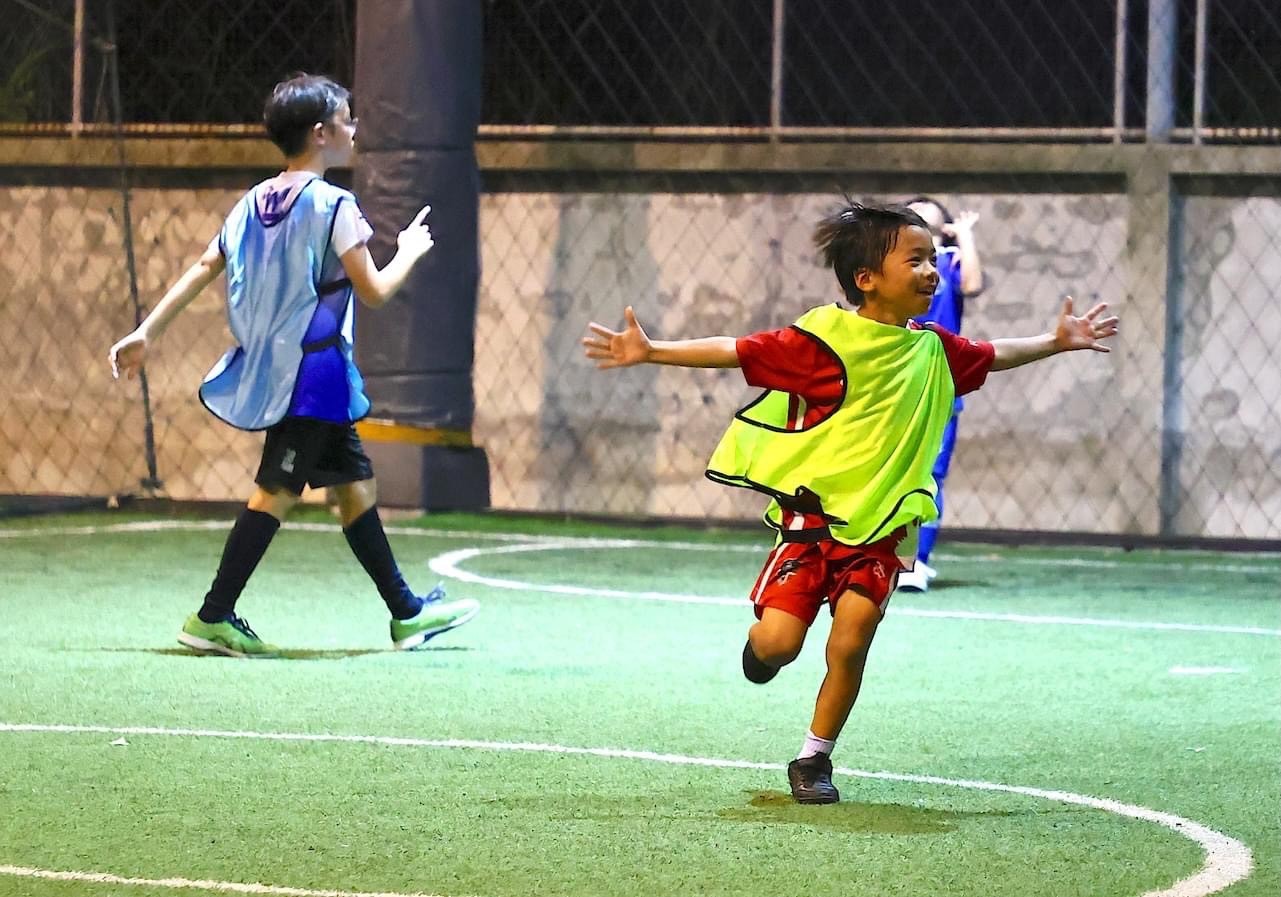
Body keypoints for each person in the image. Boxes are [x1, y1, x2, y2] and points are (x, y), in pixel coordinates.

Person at [582, 201, 1117, 804]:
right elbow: (736, 349)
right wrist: (652, 351)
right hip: (812, 527)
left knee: (852, 638)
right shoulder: (822, 343)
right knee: (780, 644)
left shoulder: (933, 350)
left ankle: (814, 759)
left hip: (879, 532)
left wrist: (1056, 341)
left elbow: (994, 354)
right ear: (867, 279)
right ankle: (760, 652)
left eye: (933, 259)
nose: (931, 270)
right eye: (915, 260)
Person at [108, 74, 478, 658]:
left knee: (355, 486)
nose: (354, 129)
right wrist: (407, 251)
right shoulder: (335, 205)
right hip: (311, 376)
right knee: (275, 491)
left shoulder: (251, 202)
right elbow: (375, 292)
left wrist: (145, 330)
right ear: (320, 132)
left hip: (300, 374)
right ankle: (212, 616)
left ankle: (407, 612)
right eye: (347, 119)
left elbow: (204, 267)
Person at [897, 196, 984, 592]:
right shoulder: (893, 265)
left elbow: (973, 284)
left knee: (930, 475)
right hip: (895, 379)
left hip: (940, 379)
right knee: (892, 472)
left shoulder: (948, 261)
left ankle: (916, 562)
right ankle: (882, 556)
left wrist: (964, 236)